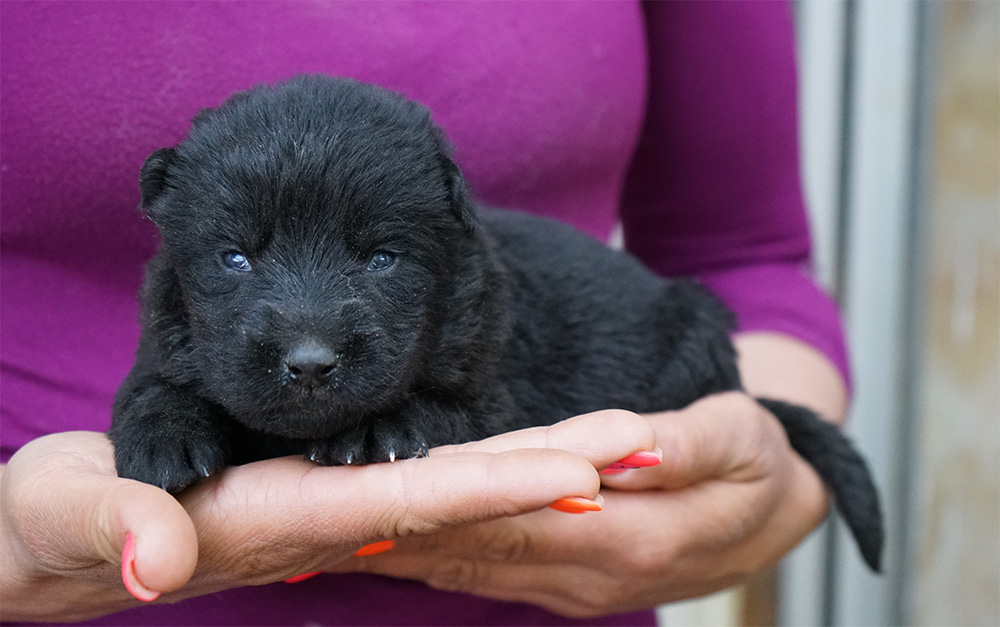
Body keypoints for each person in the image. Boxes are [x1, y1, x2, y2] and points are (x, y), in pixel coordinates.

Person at [0, 1, 850, 624]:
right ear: (172, 236)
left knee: (690, 331)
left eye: (381, 256)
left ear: (451, 240)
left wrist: (758, 486)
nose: (308, 341)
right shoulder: (183, 317)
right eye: (236, 258)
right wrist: (151, 425)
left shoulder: (470, 317)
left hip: (563, 603)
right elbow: (166, 384)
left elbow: (744, 250)